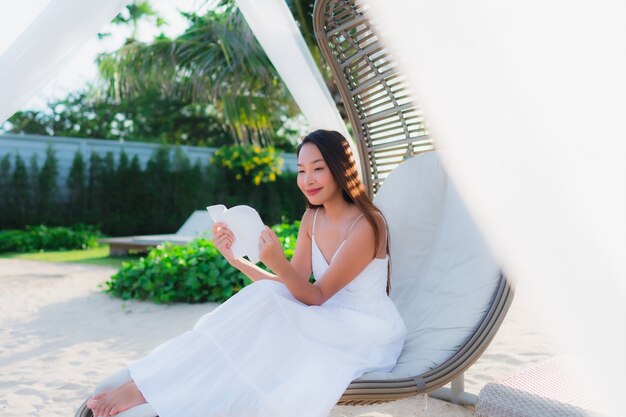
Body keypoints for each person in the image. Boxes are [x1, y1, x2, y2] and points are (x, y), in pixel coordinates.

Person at [86, 129, 406, 417]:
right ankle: (152, 385)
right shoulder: (312, 218)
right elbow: (292, 288)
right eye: (301, 170)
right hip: (325, 316)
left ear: (341, 168)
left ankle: (153, 391)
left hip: (362, 330)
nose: (307, 179)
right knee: (265, 296)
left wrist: (276, 260)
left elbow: (316, 296)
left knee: (266, 304)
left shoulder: (367, 224)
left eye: (318, 168)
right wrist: (237, 260)